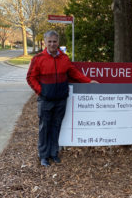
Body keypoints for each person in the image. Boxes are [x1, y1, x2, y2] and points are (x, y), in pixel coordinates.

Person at [26, 30, 98, 167]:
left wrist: (88, 81)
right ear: (45, 42)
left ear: (58, 42)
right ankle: (43, 155)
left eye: (55, 41)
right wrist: (41, 92)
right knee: (44, 127)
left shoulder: (64, 58)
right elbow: (30, 78)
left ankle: (54, 153)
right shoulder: (38, 59)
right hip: (46, 100)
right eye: (50, 41)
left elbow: (74, 73)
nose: (52, 44)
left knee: (56, 126)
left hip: (61, 100)